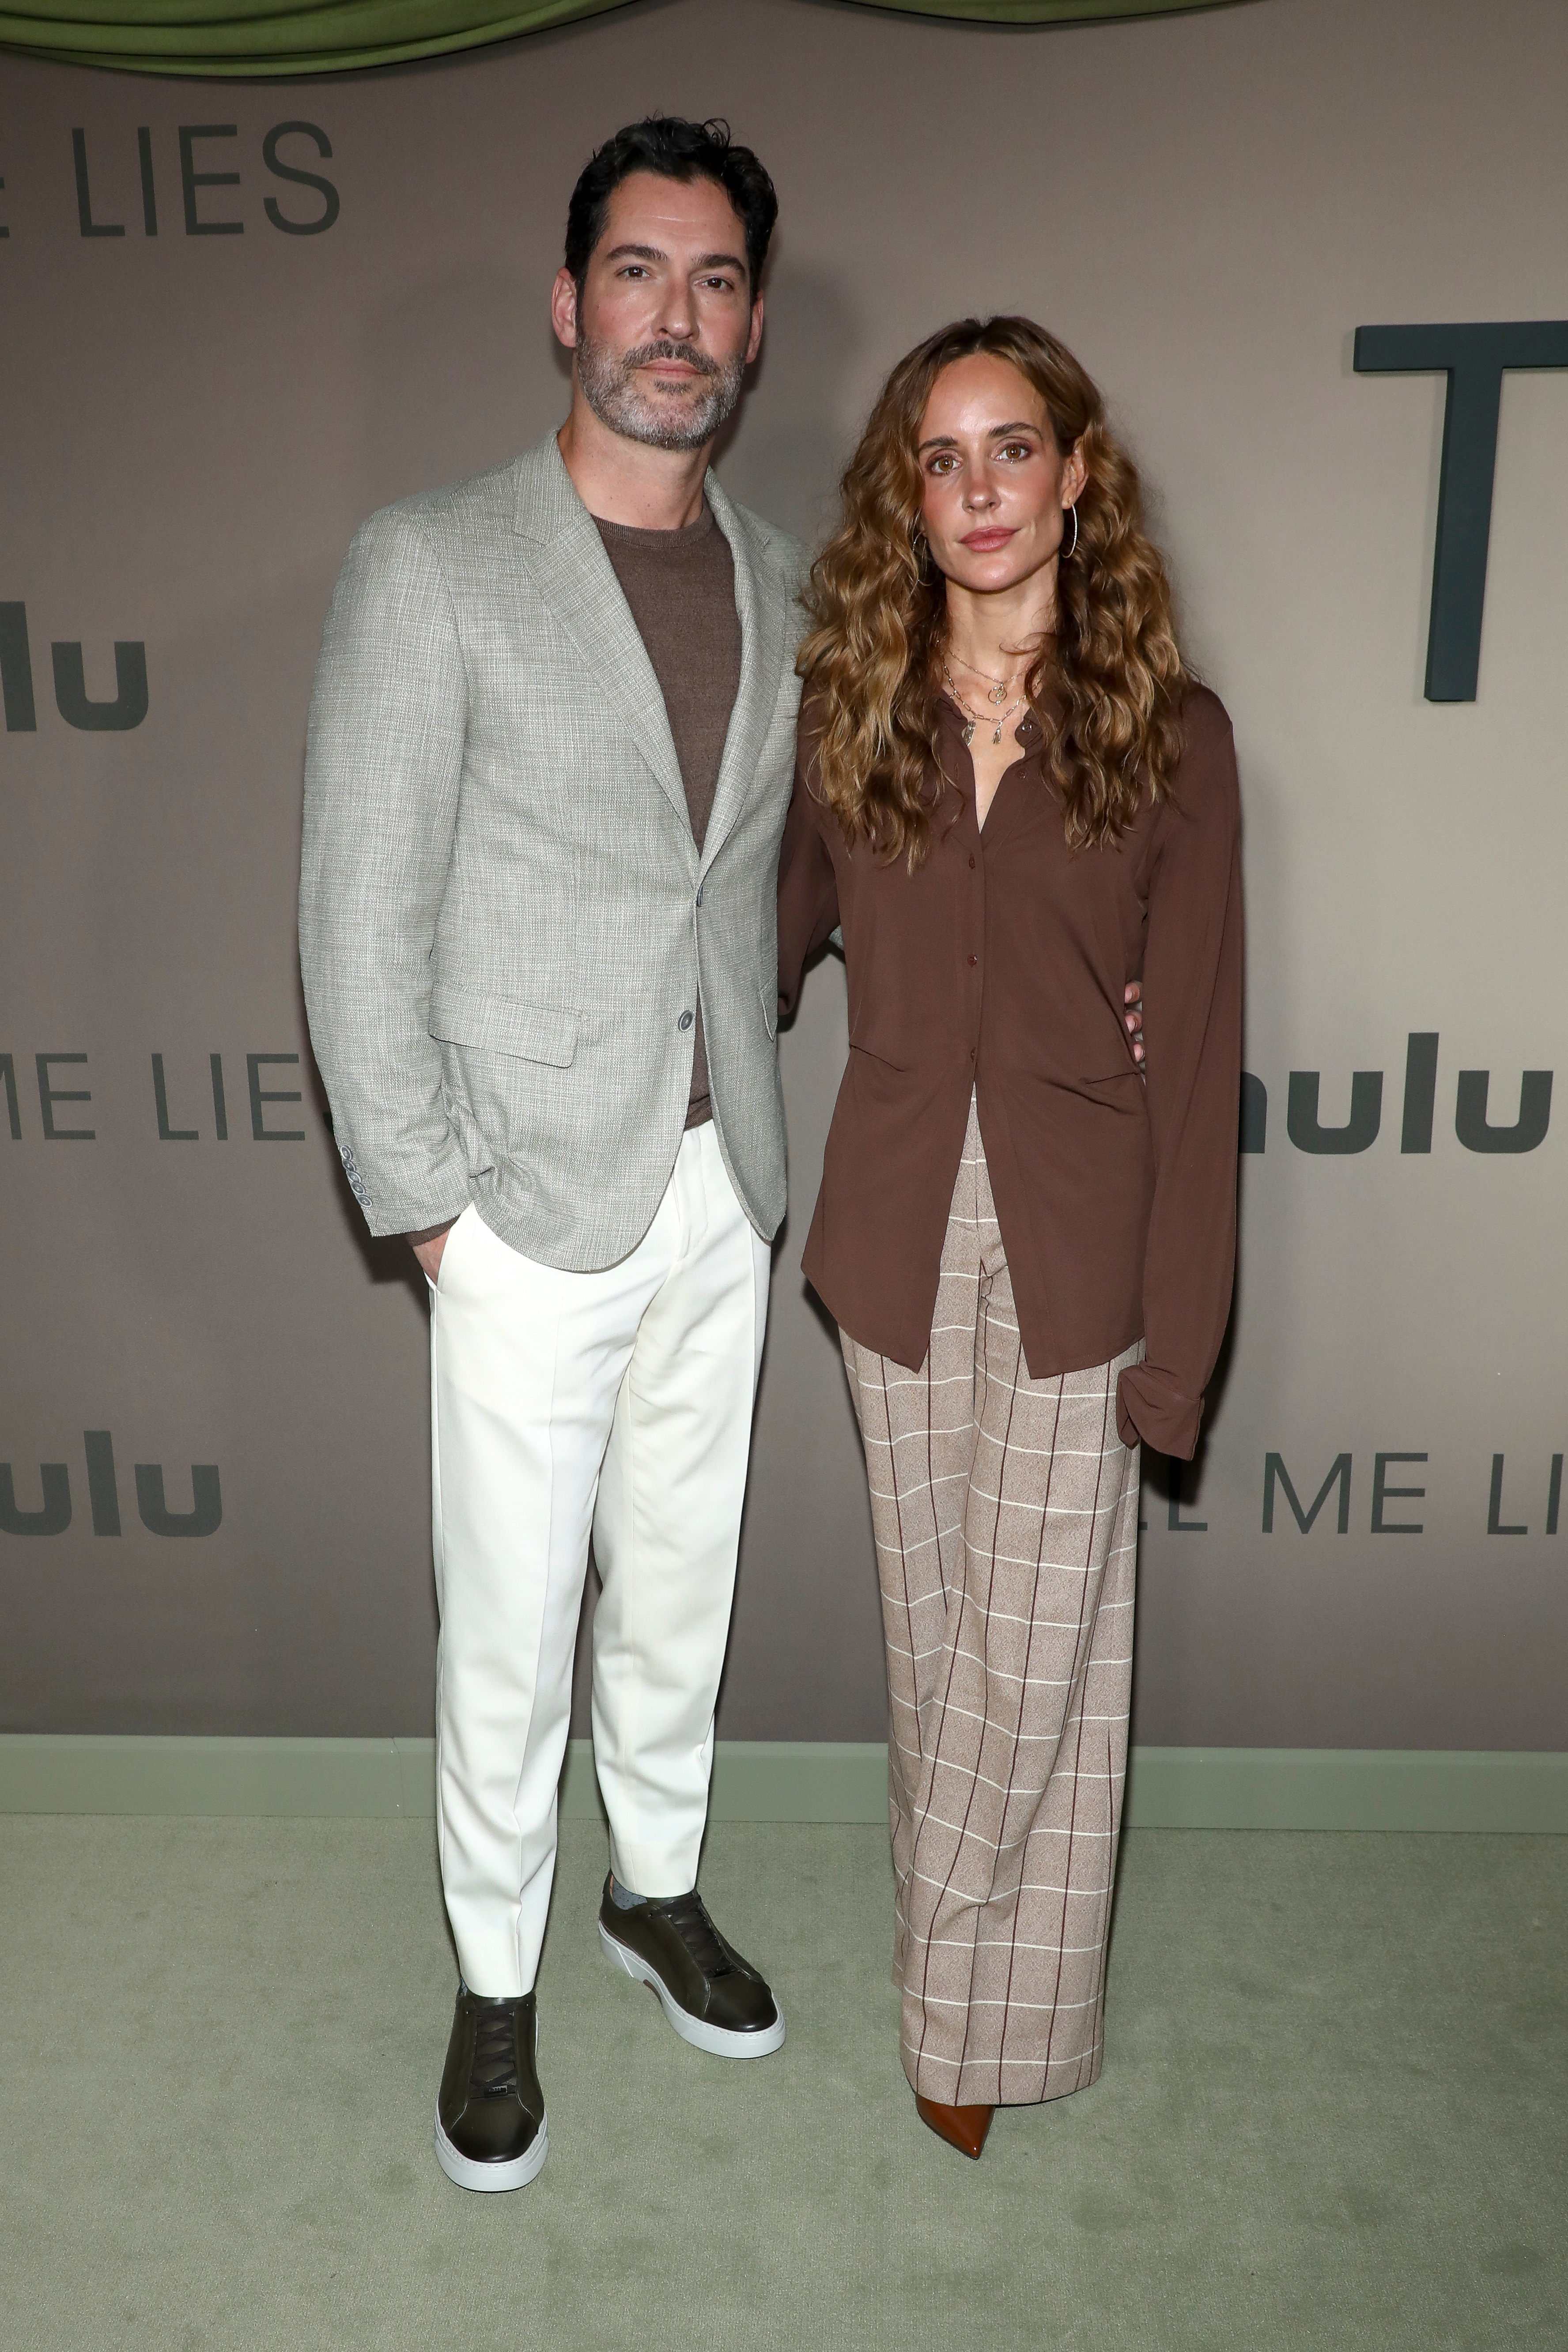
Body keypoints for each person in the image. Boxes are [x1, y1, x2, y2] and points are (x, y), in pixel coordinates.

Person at [299, 117, 804, 2194]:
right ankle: (493, 1974)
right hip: (521, 1196)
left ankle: (648, 1883)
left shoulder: (783, 573)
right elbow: (356, 906)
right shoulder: (432, 562)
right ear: (568, 298)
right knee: (509, 1620)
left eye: (711, 284)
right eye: (636, 272)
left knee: (678, 1578)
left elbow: (756, 876)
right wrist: (432, 1206)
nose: (671, 319)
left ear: (753, 326)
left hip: (719, 1177)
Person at [777, 316, 1242, 2160]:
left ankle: (953, 2006)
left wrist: (1183, 1344)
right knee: (935, 1634)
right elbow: (762, 948)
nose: (981, 489)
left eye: (1014, 447)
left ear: (1074, 473)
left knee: (1046, 1648)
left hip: (1083, 1235)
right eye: (943, 456)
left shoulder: (1169, 734)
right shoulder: (850, 717)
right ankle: (1003, 2016)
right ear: (910, 492)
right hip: (891, 1231)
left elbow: (1197, 1058)